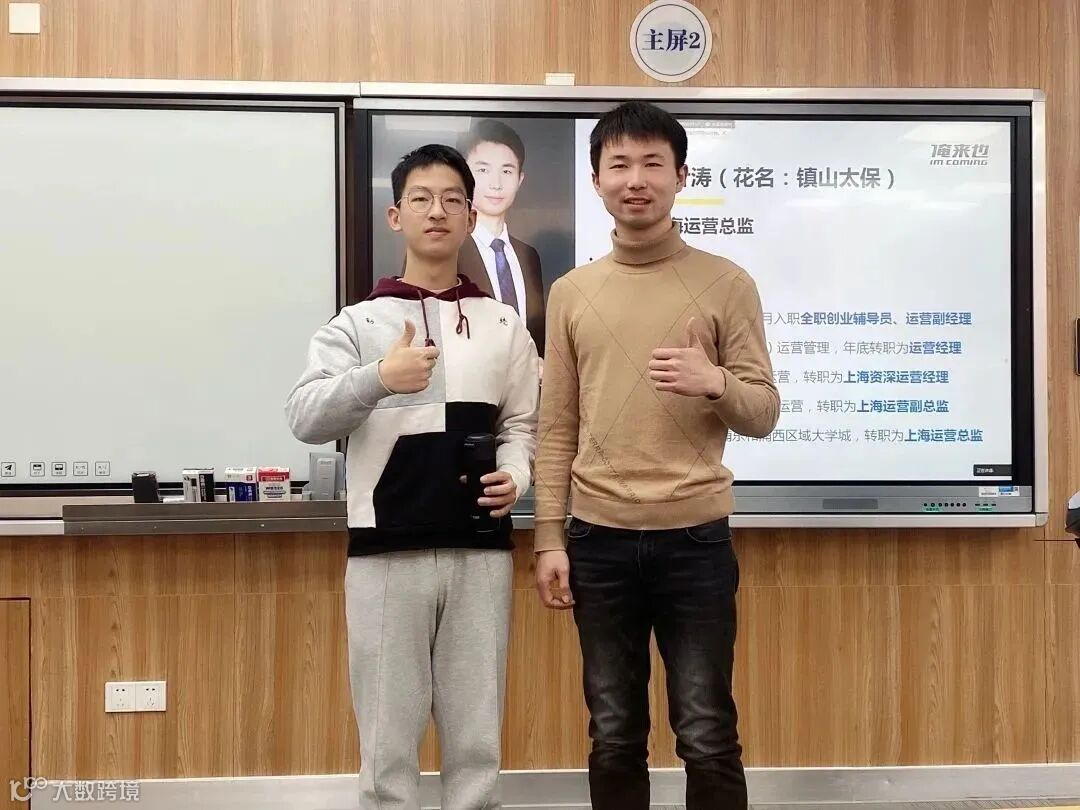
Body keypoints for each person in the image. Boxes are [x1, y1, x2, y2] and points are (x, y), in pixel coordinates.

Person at [532, 101, 780, 810]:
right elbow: (557, 427)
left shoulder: (727, 282)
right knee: (613, 733)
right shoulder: (572, 292)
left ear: (681, 176)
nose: (635, 179)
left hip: (695, 541)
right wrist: (549, 537)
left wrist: (716, 382)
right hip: (597, 540)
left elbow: (763, 412)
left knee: (706, 731)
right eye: (619, 165)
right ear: (596, 180)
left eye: (652, 163)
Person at [286, 143, 539, 810]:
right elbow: (304, 416)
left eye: (453, 199)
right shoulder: (357, 324)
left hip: (480, 554)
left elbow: (525, 425)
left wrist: (515, 474)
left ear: (471, 216)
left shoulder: (503, 324)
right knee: (387, 748)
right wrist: (377, 378)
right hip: (385, 553)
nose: (438, 211)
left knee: (477, 744)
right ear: (395, 216)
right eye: (422, 199)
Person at [457, 119, 546, 358]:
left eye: (506, 171)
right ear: (463, 176)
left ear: (520, 179)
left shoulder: (529, 256)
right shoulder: (447, 251)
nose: (496, 184)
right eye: (483, 170)